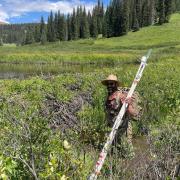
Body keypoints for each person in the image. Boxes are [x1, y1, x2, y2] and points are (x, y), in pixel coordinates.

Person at [102, 74, 141, 158]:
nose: (109, 86)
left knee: (128, 155)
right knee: (112, 154)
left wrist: (127, 106)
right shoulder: (108, 96)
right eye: (108, 84)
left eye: (111, 84)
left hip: (123, 131)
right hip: (112, 130)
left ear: (116, 85)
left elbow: (133, 113)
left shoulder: (121, 96)